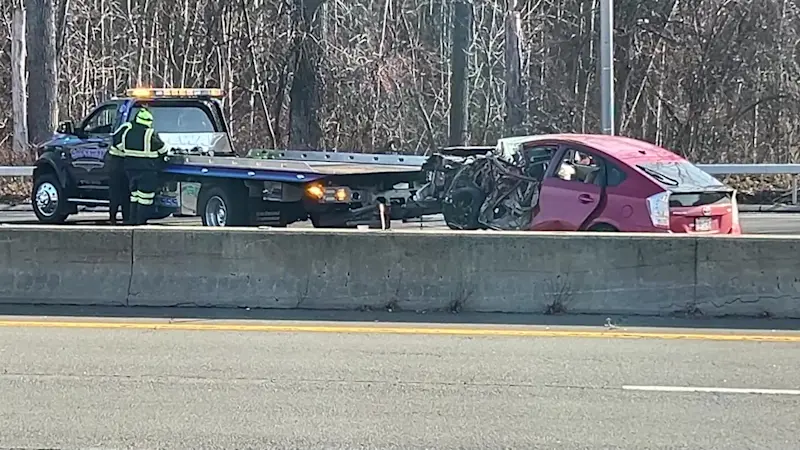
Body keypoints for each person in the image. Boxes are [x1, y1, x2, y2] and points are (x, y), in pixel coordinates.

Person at [121, 107, 170, 225]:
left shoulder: (127, 132)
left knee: (135, 196)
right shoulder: (149, 134)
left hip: (130, 169)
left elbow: (121, 147)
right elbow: (163, 149)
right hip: (147, 169)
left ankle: (132, 219)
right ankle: (141, 221)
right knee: (146, 198)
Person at [106, 123, 131, 225]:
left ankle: (125, 217)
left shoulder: (128, 127)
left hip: (122, 163)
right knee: (116, 193)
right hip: (117, 163)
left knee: (124, 193)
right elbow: (116, 140)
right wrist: (127, 148)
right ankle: (113, 217)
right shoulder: (127, 127)